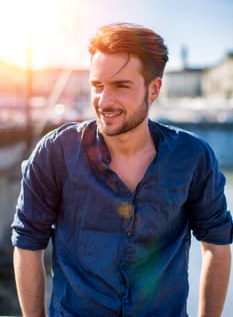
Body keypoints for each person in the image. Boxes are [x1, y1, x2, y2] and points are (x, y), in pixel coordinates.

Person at [11, 22, 232, 317]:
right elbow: (27, 243)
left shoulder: (192, 157)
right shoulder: (55, 153)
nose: (104, 100)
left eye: (120, 86)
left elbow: (216, 245)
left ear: (154, 89)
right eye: (97, 86)